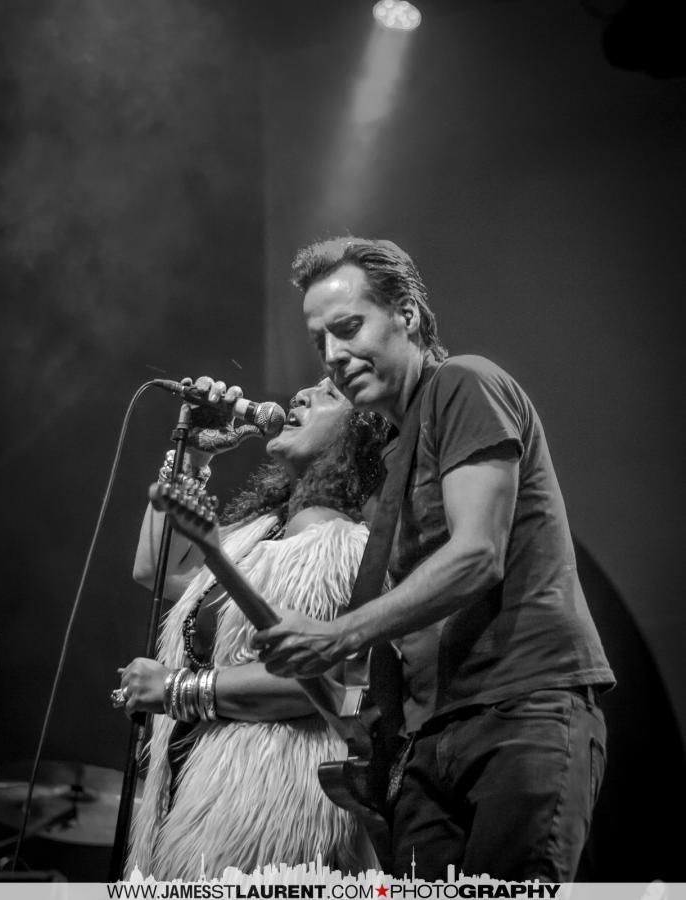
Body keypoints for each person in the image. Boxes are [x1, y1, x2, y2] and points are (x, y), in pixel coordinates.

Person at [254, 237, 616, 882]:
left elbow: (478, 554)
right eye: (320, 342)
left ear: (408, 315)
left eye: (348, 328)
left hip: (521, 708)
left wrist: (337, 635)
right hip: (426, 741)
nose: (333, 355)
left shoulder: (463, 383)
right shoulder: (392, 454)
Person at [117, 376, 387, 879]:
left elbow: (319, 686)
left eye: (329, 394)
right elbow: (155, 568)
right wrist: (192, 456)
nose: (301, 396)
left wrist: (176, 689)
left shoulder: (341, 542)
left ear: (362, 436)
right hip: (197, 796)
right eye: (309, 388)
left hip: (270, 807)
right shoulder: (262, 532)